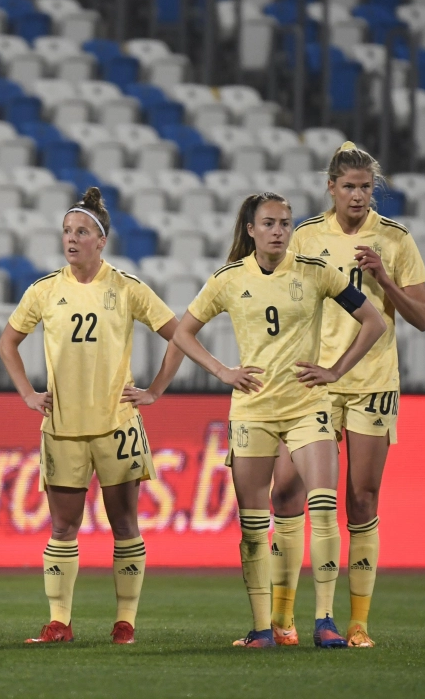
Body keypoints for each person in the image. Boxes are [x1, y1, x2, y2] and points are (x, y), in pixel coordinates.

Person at [171, 192, 386, 649]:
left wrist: (335, 371)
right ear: (250, 229)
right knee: (253, 523)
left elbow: (374, 322)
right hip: (253, 410)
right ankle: (262, 628)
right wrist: (223, 372)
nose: (278, 231)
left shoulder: (315, 271)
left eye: (285, 223)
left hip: (308, 405)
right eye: (268, 223)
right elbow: (182, 330)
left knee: (324, 508)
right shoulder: (229, 279)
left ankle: (324, 620)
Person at [0, 187, 184, 646]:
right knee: (63, 527)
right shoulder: (45, 291)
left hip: (117, 424)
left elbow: (179, 335)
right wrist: (26, 393)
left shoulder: (126, 288)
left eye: (81, 231)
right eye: (66, 231)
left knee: (125, 525)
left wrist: (155, 390)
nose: (71, 239)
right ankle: (59, 621)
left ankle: (125, 622)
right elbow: (7, 342)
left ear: (101, 240)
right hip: (62, 426)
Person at [269, 142, 425, 648]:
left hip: (371, 382)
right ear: (331, 188)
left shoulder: (396, 240)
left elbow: (423, 318)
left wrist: (385, 277)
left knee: (361, 498)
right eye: (349, 187)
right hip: (313, 379)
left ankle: (356, 622)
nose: (357, 195)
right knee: (288, 492)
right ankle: (282, 620)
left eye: (365, 187)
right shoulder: (305, 237)